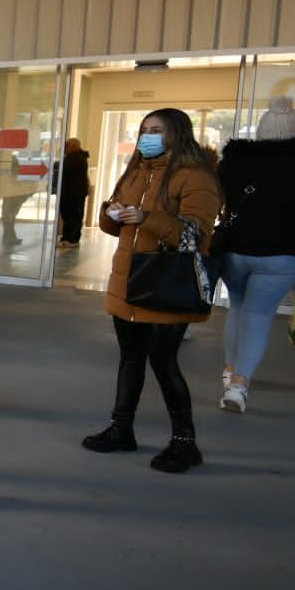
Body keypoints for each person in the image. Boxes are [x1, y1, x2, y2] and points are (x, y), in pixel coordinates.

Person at [83, 108, 221, 472]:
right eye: (145, 129)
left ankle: (184, 441)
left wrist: (147, 218)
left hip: (166, 284)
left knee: (164, 362)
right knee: (130, 359)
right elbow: (118, 230)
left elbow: (196, 236)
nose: (148, 136)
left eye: (157, 130)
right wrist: (110, 214)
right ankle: (121, 428)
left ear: (178, 134)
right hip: (127, 282)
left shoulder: (196, 177)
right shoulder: (135, 172)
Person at [215, 97, 295, 413]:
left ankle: (230, 374)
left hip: (235, 250)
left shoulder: (234, 161)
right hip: (281, 255)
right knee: (258, 315)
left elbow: (216, 200)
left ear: (261, 131)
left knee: (237, 309)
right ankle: (240, 386)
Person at [56, 137, 90, 248]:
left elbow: (64, 169)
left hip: (74, 193)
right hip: (72, 192)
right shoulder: (76, 157)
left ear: (73, 146)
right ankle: (67, 238)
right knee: (70, 216)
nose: (65, 148)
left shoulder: (76, 158)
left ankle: (71, 239)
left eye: (67, 146)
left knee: (73, 216)